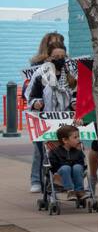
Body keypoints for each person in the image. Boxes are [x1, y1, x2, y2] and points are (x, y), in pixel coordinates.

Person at [25, 33, 74, 193]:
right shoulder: (41, 73)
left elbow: (76, 93)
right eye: (55, 56)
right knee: (42, 150)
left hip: (65, 118)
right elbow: (31, 94)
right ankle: (37, 180)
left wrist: (75, 104)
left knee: (65, 149)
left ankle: (63, 180)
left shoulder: (71, 73)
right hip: (45, 117)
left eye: (62, 56)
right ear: (48, 56)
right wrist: (36, 103)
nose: (59, 58)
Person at [48, 124, 89, 206]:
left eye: (78, 136)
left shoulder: (78, 152)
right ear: (65, 140)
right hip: (59, 176)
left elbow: (82, 164)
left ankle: (79, 191)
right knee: (65, 168)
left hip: (76, 174)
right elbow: (53, 166)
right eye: (75, 137)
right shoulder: (54, 152)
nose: (79, 139)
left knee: (77, 167)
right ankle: (70, 191)